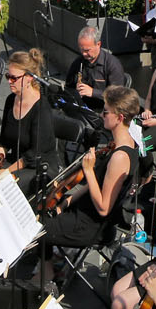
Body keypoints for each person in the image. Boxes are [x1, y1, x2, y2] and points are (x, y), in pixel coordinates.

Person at [43, 85, 142, 249]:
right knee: (41, 212)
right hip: (83, 211)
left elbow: (104, 208)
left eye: (106, 112)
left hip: (87, 226)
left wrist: (88, 170)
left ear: (119, 117)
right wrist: (66, 202)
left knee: (36, 228)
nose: (101, 115)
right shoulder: (125, 145)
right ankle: (48, 270)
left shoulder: (120, 157)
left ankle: (44, 270)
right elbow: (94, 185)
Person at [0, 50, 58, 193]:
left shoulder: (41, 108)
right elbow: (3, 141)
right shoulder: (10, 100)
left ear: (29, 78)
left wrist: (5, 173)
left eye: (14, 78)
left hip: (38, 166)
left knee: (3, 189)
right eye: (8, 76)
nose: (9, 81)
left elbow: (34, 154)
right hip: (16, 160)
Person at [67, 25, 127, 103]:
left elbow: (117, 95)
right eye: (81, 50)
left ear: (98, 44)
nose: (84, 54)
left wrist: (93, 92)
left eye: (87, 50)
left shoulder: (112, 64)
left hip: (103, 109)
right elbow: (68, 86)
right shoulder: (78, 62)